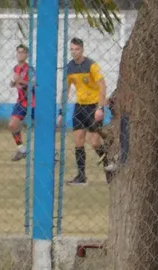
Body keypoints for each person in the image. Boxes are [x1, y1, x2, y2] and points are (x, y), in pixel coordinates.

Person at [62, 37, 107, 186]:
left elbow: (102, 85)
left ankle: (108, 163)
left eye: (77, 49)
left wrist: (100, 108)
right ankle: (81, 177)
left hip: (93, 106)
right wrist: (62, 111)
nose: (74, 52)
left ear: (82, 49)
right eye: (72, 49)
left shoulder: (91, 65)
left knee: (94, 142)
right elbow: (66, 89)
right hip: (79, 106)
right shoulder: (69, 67)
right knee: (78, 139)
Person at [9, 45, 34, 162]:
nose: (20, 54)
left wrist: (21, 82)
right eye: (18, 52)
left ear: (27, 55)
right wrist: (13, 83)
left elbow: (34, 85)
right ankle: (22, 150)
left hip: (33, 103)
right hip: (21, 102)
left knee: (42, 130)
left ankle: (52, 154)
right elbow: (16, 82)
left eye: (23, 52)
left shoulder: (30, 69)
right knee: (12, 125)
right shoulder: (15, 68)